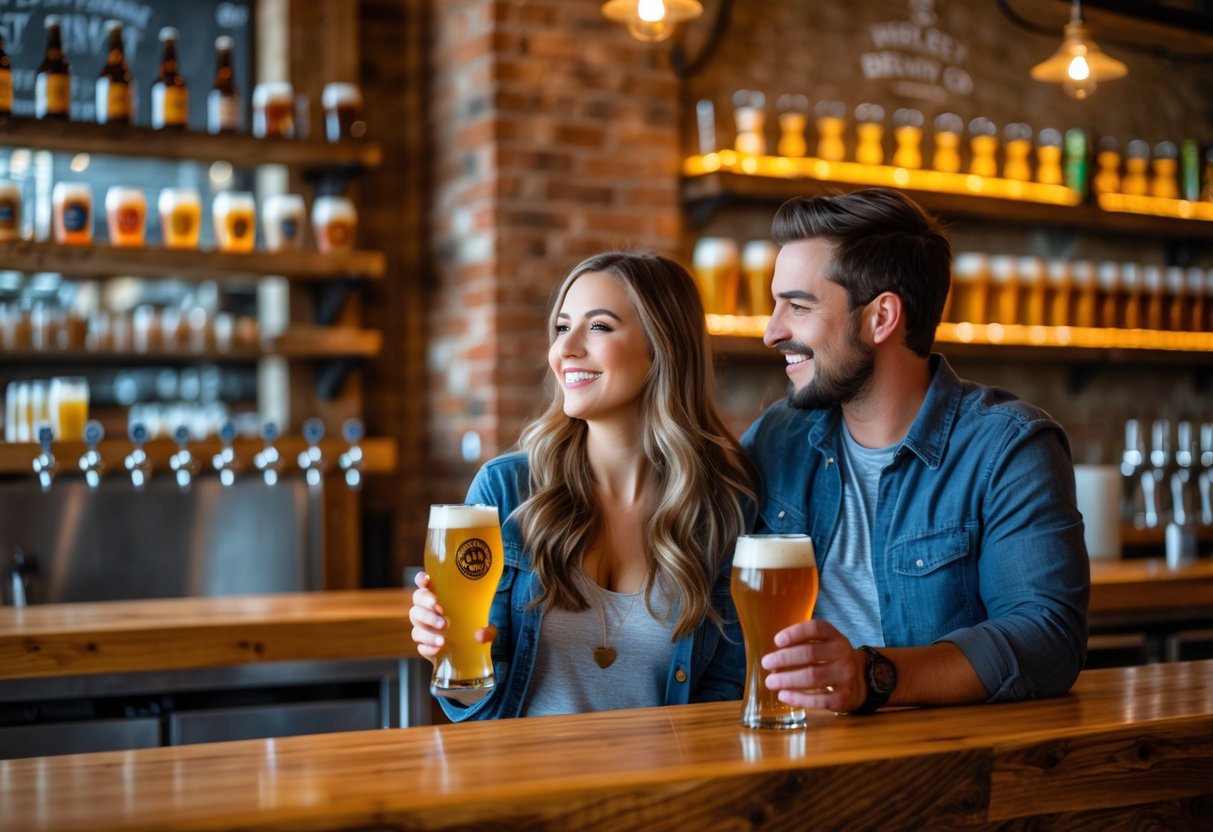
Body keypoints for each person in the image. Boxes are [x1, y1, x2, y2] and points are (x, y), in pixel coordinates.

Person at [741, 188, 1090, 715]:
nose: (771, 332)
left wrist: (873, 675)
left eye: (798, 306)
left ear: (881, 318)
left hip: (944, 770)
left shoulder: (1008, 448)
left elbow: (1046, 639)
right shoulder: (779, 435)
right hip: (782, 753)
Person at [410, 251, 757, 720]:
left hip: (666, 785)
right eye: (561, 327)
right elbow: (474, 709)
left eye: (598, 327)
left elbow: (722, 693)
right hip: (530, 782)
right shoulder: (507, 491)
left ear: (663, 347)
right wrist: (448, 659)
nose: (565, 349)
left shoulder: (721, 506)